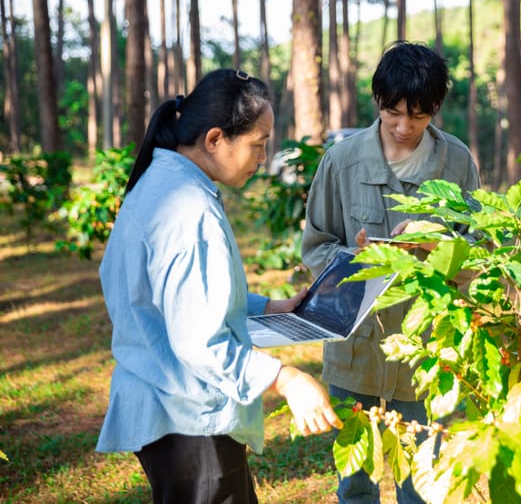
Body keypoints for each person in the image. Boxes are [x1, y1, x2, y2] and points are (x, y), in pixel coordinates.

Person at [96, 68, 341, 503]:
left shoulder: (160, 183)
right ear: (215, 140)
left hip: (168, 412)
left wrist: (270, 307)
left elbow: (180, 297)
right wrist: (287, 380)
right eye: (259, 144)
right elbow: (199, 343)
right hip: (190, 418)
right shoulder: (189, 210)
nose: (263, 158)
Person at [302, 41, 481, 503]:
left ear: (436, 108)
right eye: (393, 113)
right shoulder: (341, 162)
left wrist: (439, 247)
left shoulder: (457, 162)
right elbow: (316, 245)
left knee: (422, 485)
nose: (404, 127)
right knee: (356, 482)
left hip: (427, 353)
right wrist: (356, 262)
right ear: (377, 102)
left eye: (418, 116)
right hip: (354, 349)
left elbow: (482, 250)